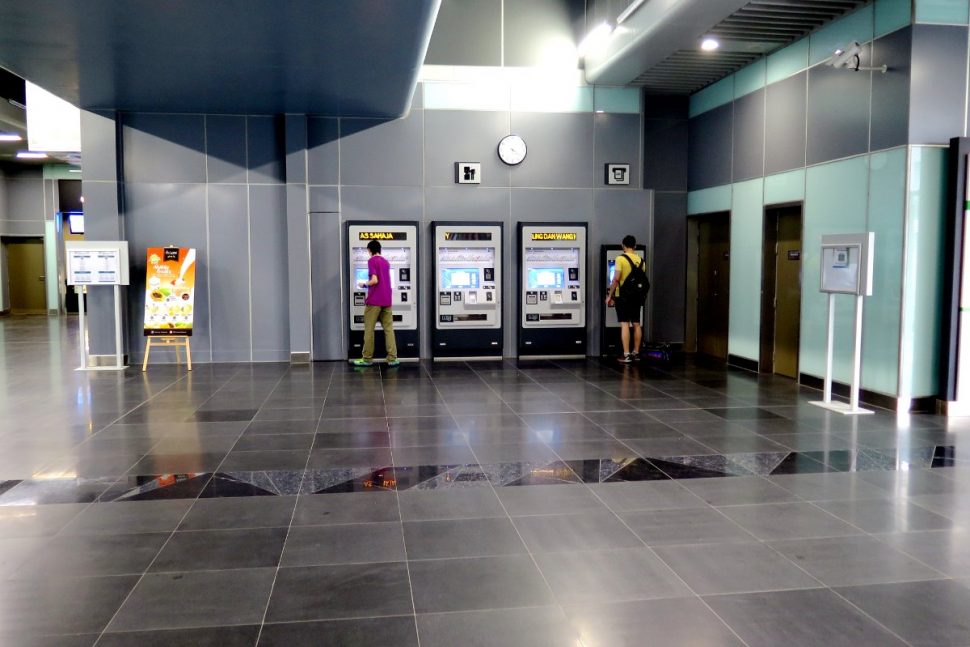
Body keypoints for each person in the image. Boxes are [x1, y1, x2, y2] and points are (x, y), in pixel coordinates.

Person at [352, 239, 399, 367]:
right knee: (389, 329)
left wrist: (363, 284)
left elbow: (374, 280)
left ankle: (367, 358)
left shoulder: (372, 260)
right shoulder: (386, 262)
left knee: (369, 330)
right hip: (387, 300)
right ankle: (392, 358)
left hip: (374, 301)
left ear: (369, 250)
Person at [605, 235, 645, 364]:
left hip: (623, 296)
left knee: (624, 323)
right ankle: (636, 353)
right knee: (637, 323)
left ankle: (626, 354)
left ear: (623, 245)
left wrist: (609, 295)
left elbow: (616, 278)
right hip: (637, 296)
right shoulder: (641, 260)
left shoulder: (620, 259)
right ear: (635, 246)